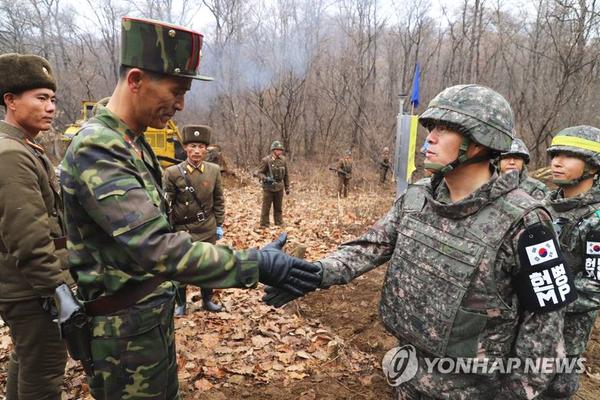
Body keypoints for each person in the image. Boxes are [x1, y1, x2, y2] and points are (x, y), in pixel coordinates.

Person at [59, 17, 321, 399]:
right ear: (136, 80)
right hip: (121, 335)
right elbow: (157, 247)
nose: (181, 105)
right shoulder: (99, 148)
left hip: (146, 318)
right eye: (176, 91)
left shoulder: (131, 141)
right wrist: (255, 264)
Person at [265, 84, 575, 399]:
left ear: (481, 142)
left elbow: (545, 327)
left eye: (445, 130)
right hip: (408, 374)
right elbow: (370, 246)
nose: (430, 138)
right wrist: (316, 272)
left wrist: (517, 394)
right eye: (431, 128)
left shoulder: (527, 223)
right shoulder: (418, 197)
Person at [0, 53, 70, 400]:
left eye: (53, 99)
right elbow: (28, 238)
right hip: (30, 288)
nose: (51, 107)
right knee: (43, 369)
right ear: (10, 101)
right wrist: (58, 290)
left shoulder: (25, 147)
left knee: (26, 360)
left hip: (25, 285)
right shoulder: (11, 153)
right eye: (40, 98)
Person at [540, 126, 600, 399]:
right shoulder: (542, 207)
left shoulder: (596, 219)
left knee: (556, 390)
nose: (557, 162)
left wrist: (544, 299)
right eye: (555, 155)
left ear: (594, 167)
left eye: (569, 156)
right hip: (527, 328)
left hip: (567, 335)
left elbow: (593, 287)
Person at [164, 125, 224, 314]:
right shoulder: (173, 173)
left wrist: (219, 224)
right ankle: (181, 304)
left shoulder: (213, 170)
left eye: (201, 146)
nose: (197, 151)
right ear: (185, 148)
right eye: (192, 146)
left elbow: (219, 199)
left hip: (207, 226)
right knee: (181, 267)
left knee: (208, 265)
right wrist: (167, 228)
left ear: (207, 149)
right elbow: (167, 203)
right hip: (183, 229)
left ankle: (207, 301)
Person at [256, 140, 290, 227]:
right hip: (268, 187)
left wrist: (287, 187)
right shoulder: (266, 160)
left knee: (278, 207)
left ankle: (279, 222)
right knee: (266, 207)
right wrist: (265, 178)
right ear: (274, 150)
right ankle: (264, 224)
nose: (280, 151)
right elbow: (259, 173)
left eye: (281, 150)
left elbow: (286, 175)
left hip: (279, 186)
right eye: (278, 149)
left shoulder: (283, 160)